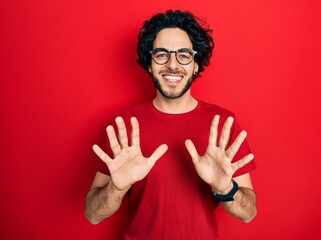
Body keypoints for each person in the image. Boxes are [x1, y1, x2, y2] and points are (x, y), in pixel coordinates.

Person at [85, 9, 257, 240]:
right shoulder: (124, 126)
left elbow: (249, 213)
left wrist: (226, 189)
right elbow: (92, 215)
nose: (172, 65)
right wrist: (116, 189)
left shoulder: (222, 124)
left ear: (196, 64)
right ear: (149, 64)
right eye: (161, 54)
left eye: (184, 55)